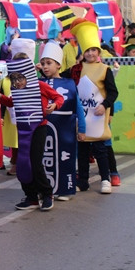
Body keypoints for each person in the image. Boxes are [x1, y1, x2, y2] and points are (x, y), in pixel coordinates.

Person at [0, 40, 64, 211]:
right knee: (23, 163)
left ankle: (47, 193)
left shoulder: (40, 85)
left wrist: (54, 105)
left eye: (21, 77)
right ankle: (31, 196)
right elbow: (11, 103)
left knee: (35, 162)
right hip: (23, 129)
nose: (18, 81)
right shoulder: (17, 89)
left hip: (39, 127)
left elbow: (58, 97)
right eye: (15, 78)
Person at [65, 18, 118, 194]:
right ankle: (83, 181)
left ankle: (105, 179)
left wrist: (105, 105)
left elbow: (113, 92)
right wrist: (43, 69)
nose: (90, 54)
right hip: (81, 116)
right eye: (87, 50)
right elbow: (60, 78)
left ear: (98, 51)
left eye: (93, 50)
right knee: (82, 150)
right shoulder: (75, 69)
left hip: (97, 114)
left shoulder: (105, 69)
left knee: (100, 150)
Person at [37, 41, 85, 200]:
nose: (45, 66)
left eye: (49, 63)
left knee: (66, 160)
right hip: (43, 128)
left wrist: (82, 129)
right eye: (43, 63)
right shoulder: (39, 83)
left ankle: (65, 189)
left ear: (58, 65)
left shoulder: (69, 83)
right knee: (43, 159)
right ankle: (44, 190)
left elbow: (78, 107)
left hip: (65, 128)